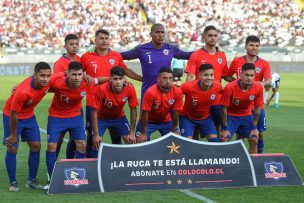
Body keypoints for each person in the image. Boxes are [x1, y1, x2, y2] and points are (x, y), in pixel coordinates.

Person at [44, 61, 106, 189]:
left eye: (79, 74)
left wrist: (112, 79)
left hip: (75, 116)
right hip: (56, 116)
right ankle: (51, 180)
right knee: (51, 145)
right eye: (73, 75)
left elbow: (99, 80)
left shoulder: (86, 82)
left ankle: (77, 179)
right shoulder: (57, 82)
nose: (77, 78)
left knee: (82, 144)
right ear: (68, 74)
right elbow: (39, 84)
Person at [81, 29, 142, 157]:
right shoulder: (87, 56)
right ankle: (90, 164)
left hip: (114, 99)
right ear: (95, 40)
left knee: (116, 136)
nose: (104, 41)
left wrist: (141, 79)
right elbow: (78, 73)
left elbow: (125, 71)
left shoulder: (116, 56)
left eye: (106, 38)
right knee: (91, 136)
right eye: (101, 38)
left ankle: (116, 163)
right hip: (94, 102)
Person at [2, 62, 56, 192]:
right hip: (12, 116)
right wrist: (14, 134)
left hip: (29, 116)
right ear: (34, 75)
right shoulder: (23, 92)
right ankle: (13, 182)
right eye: (42, 76)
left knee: (36, 146)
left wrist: (86, 75)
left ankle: (31, 180)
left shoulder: (49, 80)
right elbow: (13, 114)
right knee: (12, 148)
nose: (46, 79)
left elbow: (65, 73)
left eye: (48, 75)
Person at [121, 23, 192, 100]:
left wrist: (204, 51)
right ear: (151, 34)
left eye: (162, 32)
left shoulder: (170, 48)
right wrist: (131, 76)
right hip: (148, 92)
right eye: (157, 32)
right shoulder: (141, 49)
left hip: (166, 92)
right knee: (146, 112)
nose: (160, 34)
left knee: (170, 112)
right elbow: (118, 56)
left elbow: (187, 55)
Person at [185, 25, 232, 138]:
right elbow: (190, 77)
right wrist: (190, 96)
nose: (213, 38)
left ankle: (216, 155)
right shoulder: (196, 55)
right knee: (195, 132)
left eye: (215, 35)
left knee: (217, 130)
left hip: (216, 100)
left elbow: (225, 76)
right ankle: (195, 155)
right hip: (199, 99)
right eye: (210, 35)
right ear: (204, 37)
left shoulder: (222, 55)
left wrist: (239, 83)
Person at [228, 35, 272, 153]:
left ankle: (259, 157)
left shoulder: (264, 63)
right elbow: (227, 75)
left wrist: (259, 84)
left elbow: (269, 80)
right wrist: (236, 83)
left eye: (257, 46)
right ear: (246, 46)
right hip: (239, 104)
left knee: (259, 133)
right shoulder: (237, 61)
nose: (254, 48)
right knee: (240, 134)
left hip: (257, 104)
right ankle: (240, 156)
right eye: (251, 45)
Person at [89, 66, 138, 157]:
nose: (118, 82)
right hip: (101, 119)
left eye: (120, 79)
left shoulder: (130, 88)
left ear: (124, 79)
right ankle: (95, 167)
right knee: (96, 142)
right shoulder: (102, 89)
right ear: (110, 79)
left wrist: (132, 132)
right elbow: (94, 111)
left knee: (131, 141)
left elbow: (133, 110)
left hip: (119, 118)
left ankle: (129, 167)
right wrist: (96, 134)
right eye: (115, 79)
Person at [221, 63, 263, 154]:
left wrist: (254, 128)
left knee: (254, 139)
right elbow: (223, 109)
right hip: (231, 116)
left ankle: (252, 165)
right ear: (240, 75)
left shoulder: (258, 88)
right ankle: (223, 166)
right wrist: (224, 128)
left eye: (252, 75)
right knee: (224, 139)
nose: (249, 78)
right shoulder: (230, 87)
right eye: (247, 75)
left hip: (246, 115)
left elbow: (257, 110)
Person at [53, 34, 81, 159]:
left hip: (77, 107)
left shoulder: (79, 59)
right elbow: (56, 83)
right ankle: (53, 167)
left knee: (76, 139)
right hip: (62, 108)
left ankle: (70, 162)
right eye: (71, 44)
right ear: (65, 46)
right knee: (59, 139)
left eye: (76, 44)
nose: (74, 46)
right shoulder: (59, 63)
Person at [136, 68, 183, 142]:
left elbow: (176, 112)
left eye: (170, 78)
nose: (168, 81)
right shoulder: (150, 92)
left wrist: (174, 130)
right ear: (158, 79)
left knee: (176, 140)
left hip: (166, 121)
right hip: (149, 121)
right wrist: (143, 133)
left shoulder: (177, 92)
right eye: (164, 78)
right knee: (140, 141)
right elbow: (145, 113)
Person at [179, 64, 221, 142]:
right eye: (206, 75)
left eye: (211, 75)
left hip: (205, 118)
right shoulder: (189, 86)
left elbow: (226, 93)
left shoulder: (217, 86)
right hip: (187, 118)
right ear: (200, 76)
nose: (209, 78)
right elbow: (176, 93)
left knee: (215, 141)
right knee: (187, 143)